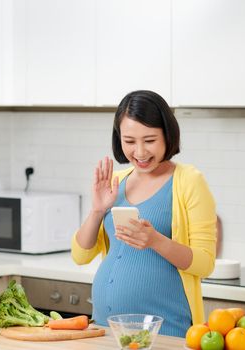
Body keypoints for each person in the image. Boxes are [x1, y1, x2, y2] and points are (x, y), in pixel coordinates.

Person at [71, 90, 216, 337]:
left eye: (149, 140)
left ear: (167, 136)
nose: (139, 152)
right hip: (106, 329)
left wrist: (155, 240)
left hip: (167, 332)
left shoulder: (189, 181)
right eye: (129, 141)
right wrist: (97, 210)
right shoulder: (116, 182)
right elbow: (80, 255)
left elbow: (205, 263)